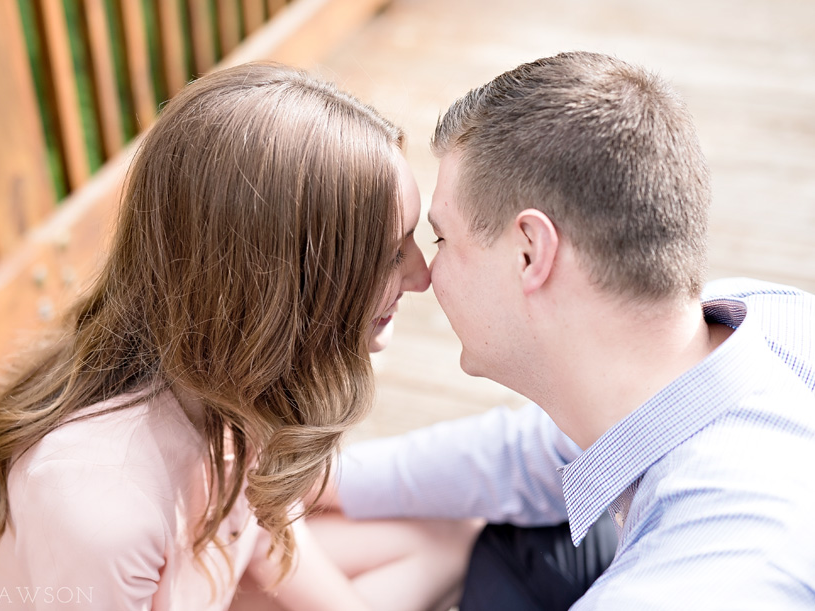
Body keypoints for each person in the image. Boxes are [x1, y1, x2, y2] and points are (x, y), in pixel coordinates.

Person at [0, 62, 439, 610]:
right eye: (392, 252)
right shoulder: (105, 510)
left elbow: (259, 532)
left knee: (445, 540)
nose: (421, 275)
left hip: (200, 578)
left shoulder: (230, 384)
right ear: (281, 282)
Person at [326, 51, 815, 609]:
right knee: (515, 540)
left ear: (530, 252)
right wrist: (321, 482)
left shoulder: (696, 580)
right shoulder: (749, 318)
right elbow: (531, 454)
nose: (424, 274)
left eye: (441, 240)